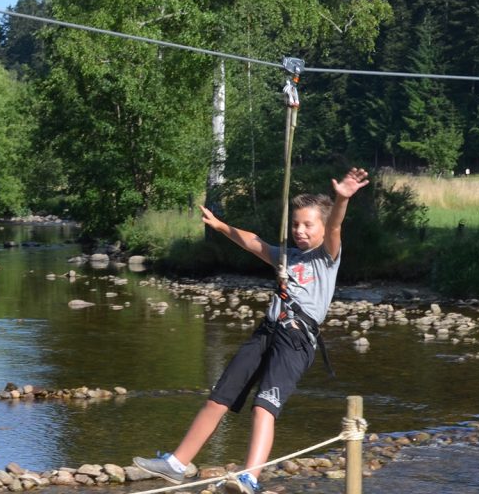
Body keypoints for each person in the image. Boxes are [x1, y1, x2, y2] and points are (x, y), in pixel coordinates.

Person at [134, 167, 370, 494]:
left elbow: (335, 227)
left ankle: (250, 477)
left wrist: (342, 198)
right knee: (219, 397)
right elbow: (253, 242)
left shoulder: (326, 258)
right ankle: (177, 463)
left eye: (307, 225)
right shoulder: (286, 256)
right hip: (266, 333)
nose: (300, 230)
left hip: (296, 340)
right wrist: (220, 226)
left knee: (264, 406)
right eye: (296, 224)